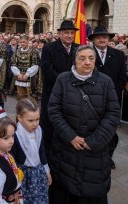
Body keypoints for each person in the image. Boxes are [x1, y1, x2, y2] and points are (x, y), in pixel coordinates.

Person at [48, 45, 120, 204]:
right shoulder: (63, 79)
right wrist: (71, 136)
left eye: (91, 58)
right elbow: (54, 110)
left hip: (95, 154)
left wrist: (94, 141)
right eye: (82, 58)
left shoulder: (105, 82)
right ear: (74, 60)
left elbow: (113, 113)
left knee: (91, 193)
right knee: (65, 192)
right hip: (66, 151)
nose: (87, 62)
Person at [89, 26, 127, 169]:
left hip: (112, 100)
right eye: (98, 37)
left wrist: (110, 93)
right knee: (93, 129)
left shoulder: (118, 55)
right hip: (91, 100)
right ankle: (92, 156)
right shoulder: (87, 54)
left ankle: (108, 157)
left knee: (110, 132)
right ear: (93, 39)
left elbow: (122, 78)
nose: (102, 39)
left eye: (105, 36)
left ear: (109, 38)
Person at [40, 20, 79, 156]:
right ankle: (47, 152)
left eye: (72, 33)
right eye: (66, 33)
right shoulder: (49, 48)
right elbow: (47, 70)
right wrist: (65, 83)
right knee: (49, 123)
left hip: (73, 93)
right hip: (52, 92)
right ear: (60, 34)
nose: (69, 35)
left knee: (69, 122)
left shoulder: (78, 48)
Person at [11, 98, 51, 204]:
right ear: (19, 118)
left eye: (37, 119)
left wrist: (47, 171)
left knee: (39, 199)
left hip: (38, 172)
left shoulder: (39, 131)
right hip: (23, 174)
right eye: (30, 120)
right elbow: (12, 157)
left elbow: (42, 151)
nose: (35, 124)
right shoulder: (15, 134)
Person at [11, 35, 40, 99]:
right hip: (19, 77)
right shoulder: (17, 51)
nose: (22, 44)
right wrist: (18, 74)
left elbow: (35, 64)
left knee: (31, 98)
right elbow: (13, 63)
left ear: (27, 42)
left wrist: (27, 74)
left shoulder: (33, 51)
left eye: (24, 42)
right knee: (21, 97)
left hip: (30, 77)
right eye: (21, 42)